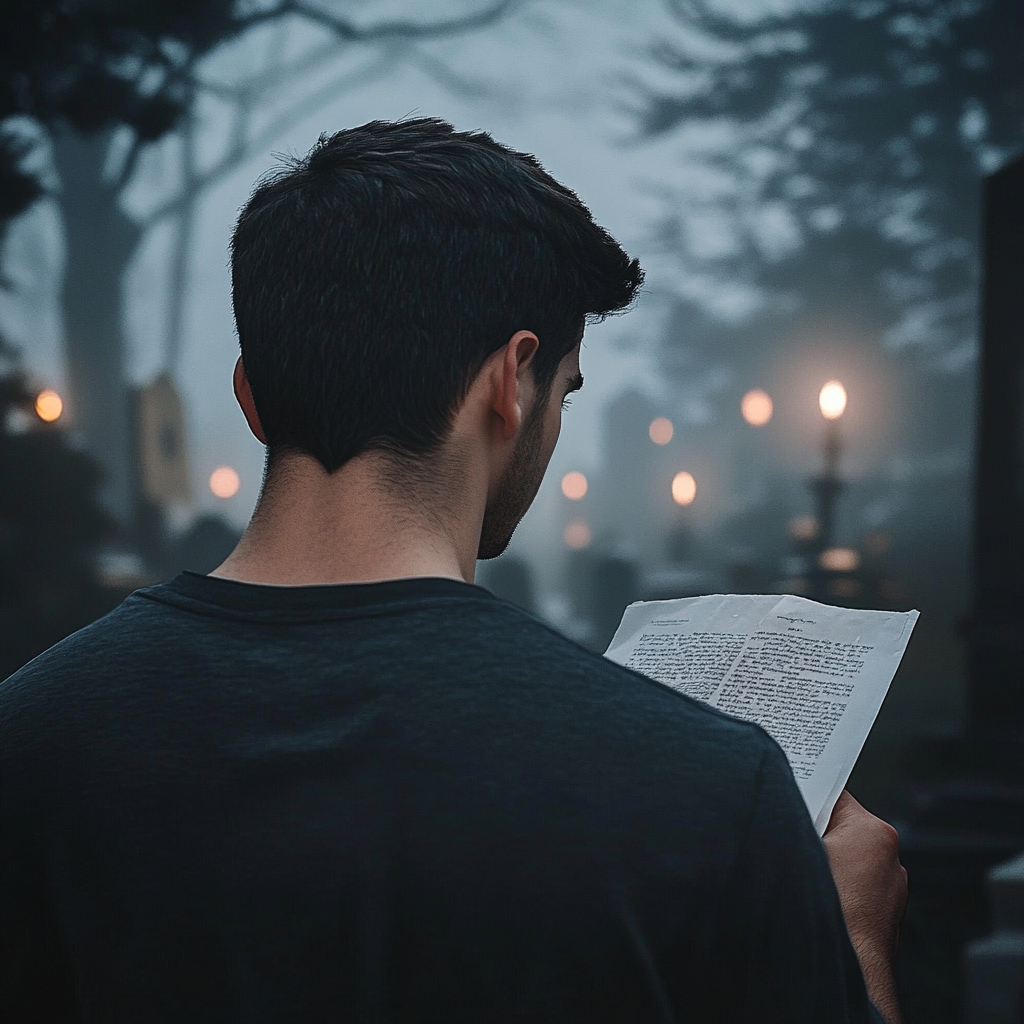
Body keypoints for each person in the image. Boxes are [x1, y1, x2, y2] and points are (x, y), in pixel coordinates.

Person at [0, 118, 906, 1023]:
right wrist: (853, 936)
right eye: (565, 390)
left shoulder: (28, 735)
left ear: (251, 393)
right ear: (512, 382)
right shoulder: (711, 791)